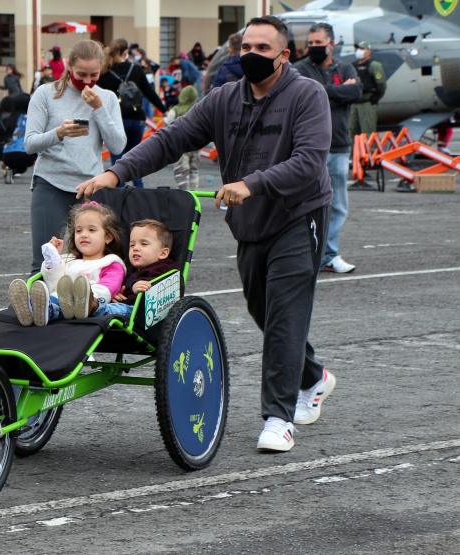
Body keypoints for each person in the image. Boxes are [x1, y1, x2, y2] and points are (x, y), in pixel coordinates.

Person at [76, 16, 337, 453]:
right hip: (250, 223)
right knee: (263, 309)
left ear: (284, 55)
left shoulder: (306, 95)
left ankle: (278, 417)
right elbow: (171, 138)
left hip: (298, 214)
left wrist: (251, 184)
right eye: (245, 47)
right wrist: (114, 173)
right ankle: (313, 377)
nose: (250, 55)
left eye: (262, 48)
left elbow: (310, 161)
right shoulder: (224, 99)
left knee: (285, 316)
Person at [24, 39, 126, 274]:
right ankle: (39, 308)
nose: (88, 82)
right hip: (51, 183)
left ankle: (81, 308)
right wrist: (58, 133)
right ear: (69, 65)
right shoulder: (45, 94)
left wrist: (99, 109)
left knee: (87, 264)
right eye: (81, 75)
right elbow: (30, 144)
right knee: (45, 261)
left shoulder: (107, 97)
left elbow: (118, 145)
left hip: (90, 187)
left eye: (94, 75)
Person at [293, 23, 361, 274]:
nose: (313, 47)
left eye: (318, 43)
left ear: (331, 44)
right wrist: (338, 91)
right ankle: (304, 255)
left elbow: (356, 90)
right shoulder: (300, 68)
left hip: (339, 146)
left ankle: (328, 256)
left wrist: (324, 90)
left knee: (337, 205)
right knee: (304, 203)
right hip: (308, 149)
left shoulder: (344, 67)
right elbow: (303, 94)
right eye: (310, 43)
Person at [8, 202, 126, 326]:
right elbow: (53, 283)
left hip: (87, 304)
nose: (84, 234)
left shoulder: (111, 262)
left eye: (91, 230)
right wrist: (54, 258)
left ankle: (44, 311)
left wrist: (87, 299)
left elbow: (108, 288)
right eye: (79, 230)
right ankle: (30, 309)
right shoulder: (68, 259)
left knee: (59, 303)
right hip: (58, 298)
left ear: (108, 237)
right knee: (51, 298)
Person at [98, 38, 168, 188]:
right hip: (137, 118)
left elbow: (97, 95)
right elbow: (149, 93)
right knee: (135, 157)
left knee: (118, 158)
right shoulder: (136, 69)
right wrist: (163, 109)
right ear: (126, 52)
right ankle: (138, 189)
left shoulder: (105, 71)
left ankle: (120, 195)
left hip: (117, 120)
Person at [86, 219, 180, 319]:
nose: (135, 248)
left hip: (140, 313)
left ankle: (92, 305)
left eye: (144, 244)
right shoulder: (133, 271)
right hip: (123, 306)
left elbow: (158, 287)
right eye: (132, 245)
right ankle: (83, 306)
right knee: (114, 307)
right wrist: (117, 294)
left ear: (163, 253)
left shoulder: (164, 267)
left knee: (113, 309)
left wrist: (138, 287)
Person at [0, 93, 36, 183]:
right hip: (27, 153)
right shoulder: (30, 118)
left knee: (18, 164)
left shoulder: (9, 118)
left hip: (7, 154)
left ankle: (10, 169)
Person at [163, 85, 200, 191]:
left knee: (181, 171)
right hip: (196, 145)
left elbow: (166, 124)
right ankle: (195, 194)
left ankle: (185, 194)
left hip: (181, 146)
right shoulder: (198, 109)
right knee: (194, 170)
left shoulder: (176, 110)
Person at [349, 41, 386, 140]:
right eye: (358, 49)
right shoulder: (353, 66)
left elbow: (381, 84)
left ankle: (370, 154)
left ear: (369, 51)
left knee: (368, 132)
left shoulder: (374, 65)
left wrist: (375, 97)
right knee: (352, 131)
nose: (359, 51)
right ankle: (353, 155)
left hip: (367, 103)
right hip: (354, 103)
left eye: (362, 49)